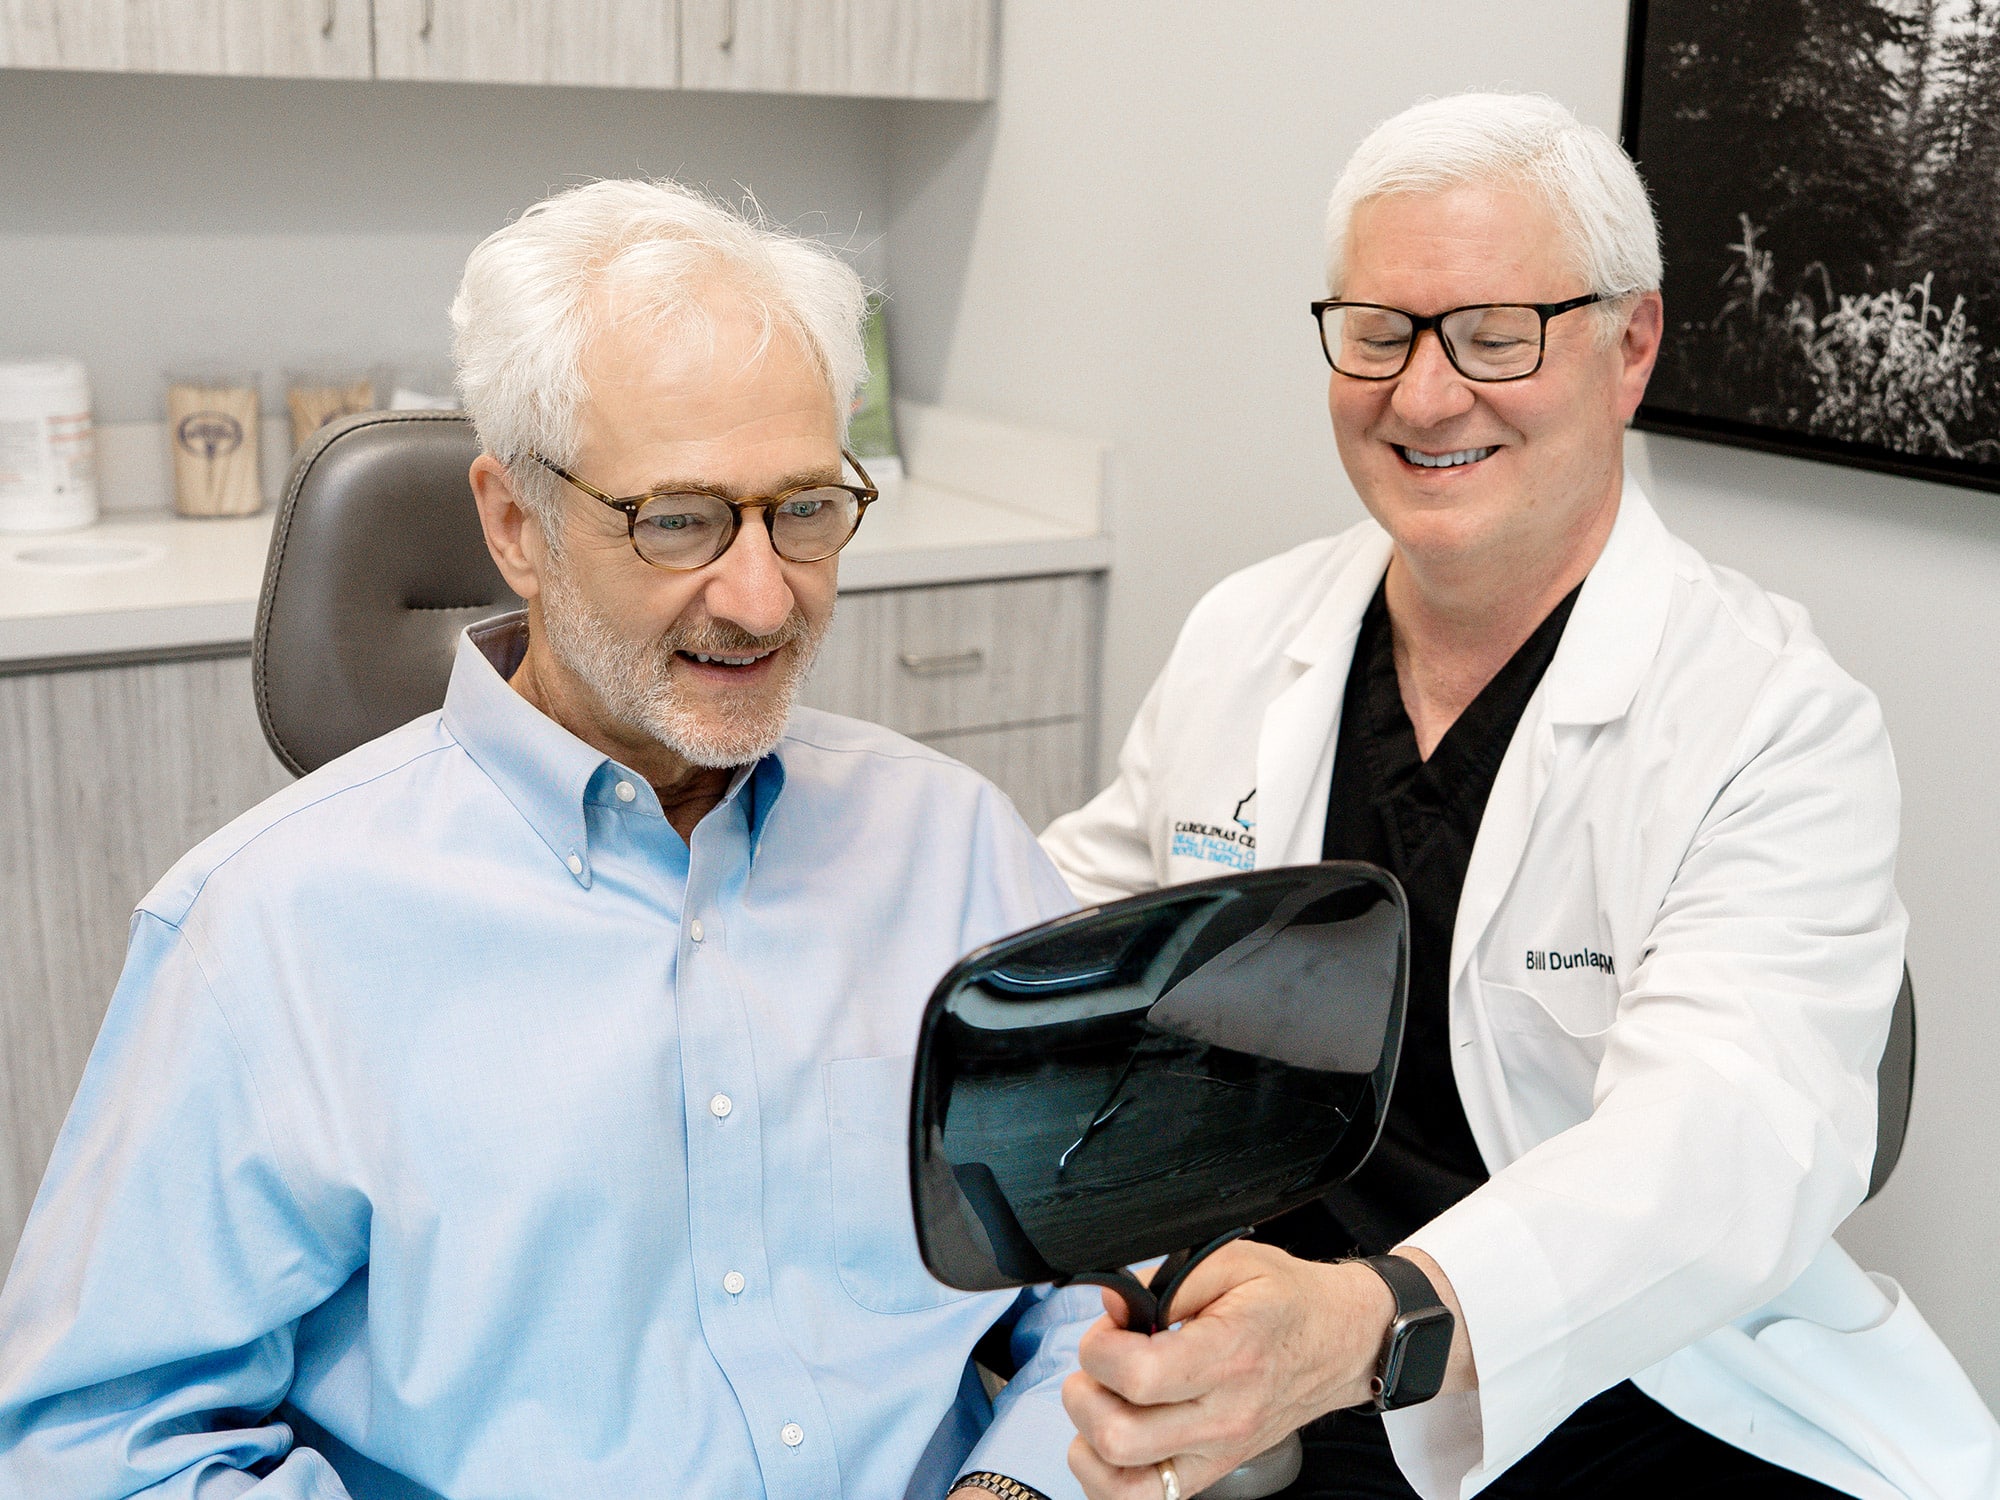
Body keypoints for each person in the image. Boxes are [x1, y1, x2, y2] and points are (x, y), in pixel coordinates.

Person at [0, 180, 1096, 1500]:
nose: (760, 597)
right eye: (678, 520)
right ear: (516, 525)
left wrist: (1020, 1483)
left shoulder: (952, 845)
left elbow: (1103, 1271)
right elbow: (95, 1455)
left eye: (805, 509)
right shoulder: (270, 933)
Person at [1041, 94, 2000, 1500]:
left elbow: (1725, 1141)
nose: (1425, 396)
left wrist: (1379, 1322)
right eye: (1378, 333)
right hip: (1283, 1393)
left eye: (1497, 335)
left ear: (1632, 347)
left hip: (1638, 1387)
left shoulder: (1772, 719)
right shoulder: (1251, 635)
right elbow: (1073, 933)